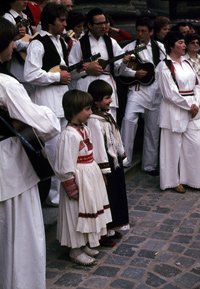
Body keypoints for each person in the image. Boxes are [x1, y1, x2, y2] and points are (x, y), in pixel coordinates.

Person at [0, 17, 60, 289]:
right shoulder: (6, 84)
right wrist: (44, 113)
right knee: (20, 236)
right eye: (11, 42)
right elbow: (46, 125)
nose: (15, 47)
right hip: (10, 167)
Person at [54, 89, 112, 265]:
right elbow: (64, 165)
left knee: (89, 211)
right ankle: (75, 249)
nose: (90, 112)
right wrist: (71, 187)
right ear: (74, 110)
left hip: (89, 178)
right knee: (75, 214)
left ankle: (84, 242)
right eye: (87, 109)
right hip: (78, 181)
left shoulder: (85, 129)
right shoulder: (68, 135)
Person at [24, 2, 71, 206]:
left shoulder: (60, 41)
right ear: (50, 22)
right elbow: (30, 74)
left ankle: (61, 191)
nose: (65, 23)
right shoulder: (37, 43)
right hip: (46, 104)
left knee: (62, 149)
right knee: (51, 151)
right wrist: (56, 78)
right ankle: (51, 196)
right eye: (61, 20)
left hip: (61, 102)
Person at [119, 16, 166, 174]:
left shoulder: (160, 47)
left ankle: (149, 165)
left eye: (143, 31)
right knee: (128, 121)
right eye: (138, 31)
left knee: (153, 129)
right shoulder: (129, 48)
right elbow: (119, 70)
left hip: (156, 91)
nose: (140, 34)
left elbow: (165, 67)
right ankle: (125, 160)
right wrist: (134, 73)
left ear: (151, 32)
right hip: (137, 91)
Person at [155, 31, 200, 192]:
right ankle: (172, 182)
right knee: (172, 147)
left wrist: (196, 104)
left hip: (192, 109)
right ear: (171, 46)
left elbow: (197, 84)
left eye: (183, 43)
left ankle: (192, 179)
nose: (184, 46)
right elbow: (170, 93)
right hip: (174, 110)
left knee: (195, 143)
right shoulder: (164, 66)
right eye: (180, 42)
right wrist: (190, 106)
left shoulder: (187, 63)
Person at [87, 80, 130, 246]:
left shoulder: (108, 115)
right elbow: (97, 145)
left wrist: (121, 155)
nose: (110, 100)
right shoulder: (94, 120)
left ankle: (112, 228)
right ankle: (102, 232)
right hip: (105, 163)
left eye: (110, 97)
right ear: (96, 101)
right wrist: (103, 170)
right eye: (106, 98)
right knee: (106, 197)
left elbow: (116, 137)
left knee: (117, 195)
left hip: (114, 161)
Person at [68, 8, 128, 120]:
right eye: (99, 24)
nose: (104, 26)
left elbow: (117, 71)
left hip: (107, 88)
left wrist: (124, 63)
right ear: (90, 25)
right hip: (87, 90)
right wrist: (87, 70)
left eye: (105, 23)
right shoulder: (79, 44)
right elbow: (70, 73)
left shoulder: (112, 43)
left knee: (110, 122)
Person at [3, 0, 35, 95]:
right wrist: (32, 45)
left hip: (27, 64)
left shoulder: (25, 17)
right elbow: (11, 41)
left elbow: (28, 38)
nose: (26, 1)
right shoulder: (8, 18)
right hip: (16, 66)